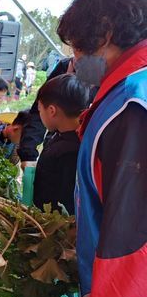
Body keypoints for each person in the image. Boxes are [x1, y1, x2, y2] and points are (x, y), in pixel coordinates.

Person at [49, 0, 147, 297]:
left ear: (104, 32)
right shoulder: (120, 93)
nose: (74, 60)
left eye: (76, 46)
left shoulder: (132, 106)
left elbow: (132, 234)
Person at [33, 74, 89, 214]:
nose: (40, 115)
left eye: (40, 110)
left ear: (52, 110)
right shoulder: (82, 137)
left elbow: (65, 202)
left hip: (56, 226)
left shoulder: (68, 151)